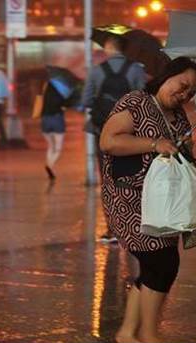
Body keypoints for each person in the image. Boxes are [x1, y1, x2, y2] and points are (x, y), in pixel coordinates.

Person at [98, 51, 196, 343]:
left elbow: (179, 156)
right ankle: (147, 333)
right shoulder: (136, 102)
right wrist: (155, 143)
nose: (183, 93)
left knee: (152, 267)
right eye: (182, 84)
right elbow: (109, 141)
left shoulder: (179, 117)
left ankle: (127, 333)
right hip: (130, 199)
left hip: (166, 204)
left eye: (190, 91)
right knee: (163, 262)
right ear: (167, 75)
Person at [80, 35, 146, 242]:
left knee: (107, 180)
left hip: (103, 133)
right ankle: (133, 225)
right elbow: (142, 99)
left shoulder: (96, 70)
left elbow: (86, 100)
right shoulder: (136, 69)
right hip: (130, 134)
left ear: (108, 48)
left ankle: (113, 229)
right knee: (131, 178)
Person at [38, 76, 71, 181]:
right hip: (57, 120)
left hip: (45, 120)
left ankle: (49, 168)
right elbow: (65, 105)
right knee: (57, 149)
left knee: (50, 146)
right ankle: (49, 166)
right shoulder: (62, 94)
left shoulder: (45, 91)